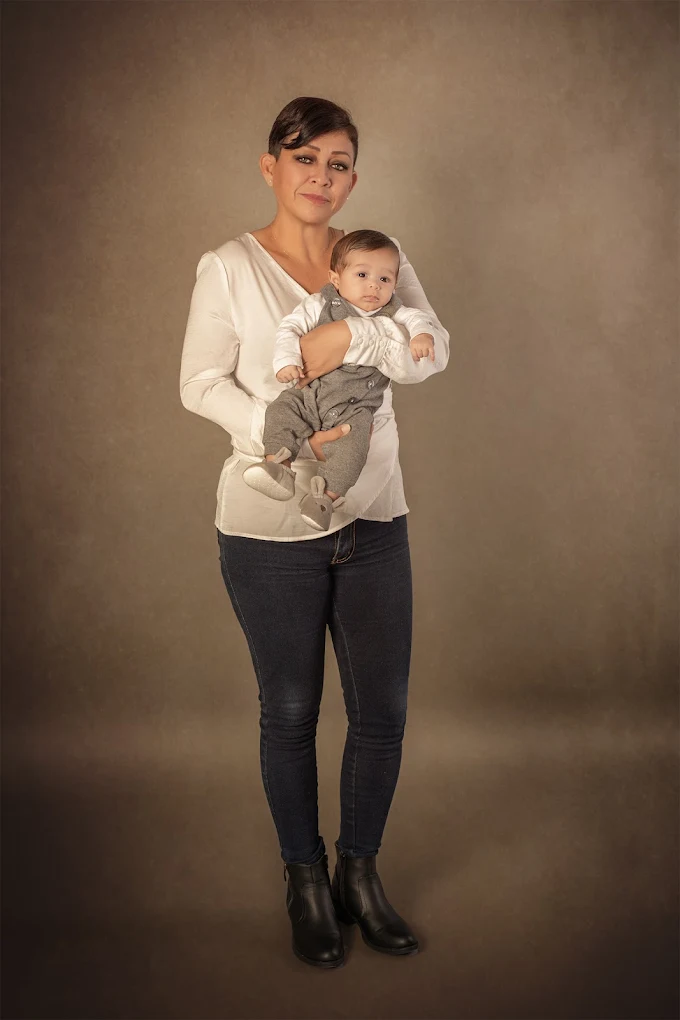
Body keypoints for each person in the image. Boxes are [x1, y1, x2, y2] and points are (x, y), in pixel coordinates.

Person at [180, 96, 449, 969]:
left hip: (374, 518)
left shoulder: (375, 258)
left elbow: (433, 349)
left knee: (384, 714)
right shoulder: (227, 266)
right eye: (304, 159)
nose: (320, 177)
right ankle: (305, 879)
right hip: (267, 528)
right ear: (271, 167)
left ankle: (359, 874)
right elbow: (198, 382)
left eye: (337, 163)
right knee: (291, 711)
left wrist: (345, 336)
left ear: (353, 179)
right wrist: (280, 423)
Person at [242, 229, 436, 531]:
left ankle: (326, 498)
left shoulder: (393, 310)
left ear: (394, 284)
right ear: (336, 279)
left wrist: (422, 334)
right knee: (280, 412)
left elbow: (417, 319)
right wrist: (287, 362)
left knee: (355, 448)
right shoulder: (319, 304)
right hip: (309, 395)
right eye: (362, 274)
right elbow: (289, 329)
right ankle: (277, 465)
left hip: (355, 408)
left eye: (385, 279)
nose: (374, 284)